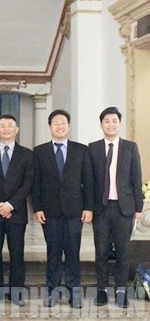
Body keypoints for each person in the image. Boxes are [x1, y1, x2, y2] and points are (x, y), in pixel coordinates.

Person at [32, 109, 93, 309]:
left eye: (63, 123)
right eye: (55, 123)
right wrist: (37, 207)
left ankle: (74, 293)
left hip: (75, 210)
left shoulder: (81, 150)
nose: (60, 126)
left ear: (69, 126)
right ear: (49, 126)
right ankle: (52, 291)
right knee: (53, 252)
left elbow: (88, 182)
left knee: (73, 253)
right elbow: (36, 183)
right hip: (50, 211)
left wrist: (88, 207)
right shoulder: (39, 152)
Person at [88, 107, 143, 308]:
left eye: (114, 121)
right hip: (100, 208)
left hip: (124, 208)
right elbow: (89, 180)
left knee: (122, 251)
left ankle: (121, 290)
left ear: (119, 124)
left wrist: (138, 208)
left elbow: (136, 178)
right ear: (101, 124)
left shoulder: (130, 147)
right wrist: (88, 207)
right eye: (107, 121)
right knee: (101, 251)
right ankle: (101, 290)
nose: (111, 124)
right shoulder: (92, 148)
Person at [0, 115, 33, 306]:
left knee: (17, 252)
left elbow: (28, 183)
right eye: (2, 126)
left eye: (10, 126)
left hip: (17, 212)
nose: (6, 129)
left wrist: (10, 205)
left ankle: (16, 291)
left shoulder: (27, 154)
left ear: (17, 129)